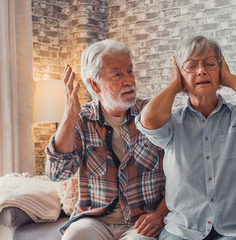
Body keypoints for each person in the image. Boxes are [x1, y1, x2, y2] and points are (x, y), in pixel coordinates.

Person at [136, 35, 236, 240]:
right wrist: (175, 85)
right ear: (180, 75)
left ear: (219, 69)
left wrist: (227, 77)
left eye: (209, 64)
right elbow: (148, 119)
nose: (201, 70)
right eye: (191, 66)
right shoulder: (173, 124)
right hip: (183, 229)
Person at [45, 39, 168, 240]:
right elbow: (57, 173)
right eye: (118, 74)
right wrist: (70, 114)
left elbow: (180, 176)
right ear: (94, 84)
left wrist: (159, 215)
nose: (129, 80)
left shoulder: (151, 115)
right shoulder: (82, 119)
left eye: (130, 71)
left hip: (140, 223)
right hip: (95, 219)